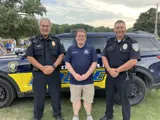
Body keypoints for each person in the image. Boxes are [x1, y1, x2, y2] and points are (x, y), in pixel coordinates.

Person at [25, 18, 65, 120]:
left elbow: (61, 55)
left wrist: (53, 66)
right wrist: (42, 68)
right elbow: (29, 56)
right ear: (39, 27)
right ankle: (37, 115)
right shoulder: (33, 41)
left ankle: (57, 114)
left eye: (47, 26)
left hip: (54, 72)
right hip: (39, 74)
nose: (45, 28)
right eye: (43, 26)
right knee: (39, 96)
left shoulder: (56, 40)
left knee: (55, 94)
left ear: (50, 27)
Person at [100, 20, 140, 120]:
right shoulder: (109, 41)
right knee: (109, 97)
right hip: (110, 75)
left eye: (121, 27)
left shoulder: (132, 42)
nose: (119, 30)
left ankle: (126, 118)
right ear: (114, 29)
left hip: (124, 76)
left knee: (124, 99)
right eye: (117, 28)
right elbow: (104, 56)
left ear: (125, 28)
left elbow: (133, 61)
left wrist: (117, 71)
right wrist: (109, 70)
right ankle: (108, 116)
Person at [65, 29, 97, 120]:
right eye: (79, 36)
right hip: (74, 80)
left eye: (82, 36)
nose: (80, 37)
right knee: (75, 100)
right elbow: (67, 63)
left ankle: (89, 115)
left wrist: (86, 74)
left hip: (88, 80)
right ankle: (75, 116)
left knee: (88, 100)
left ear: (85, 38)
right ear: (76, 37)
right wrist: (75, 74)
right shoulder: (71, 49)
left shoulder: (91, 48)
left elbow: (94, 63)